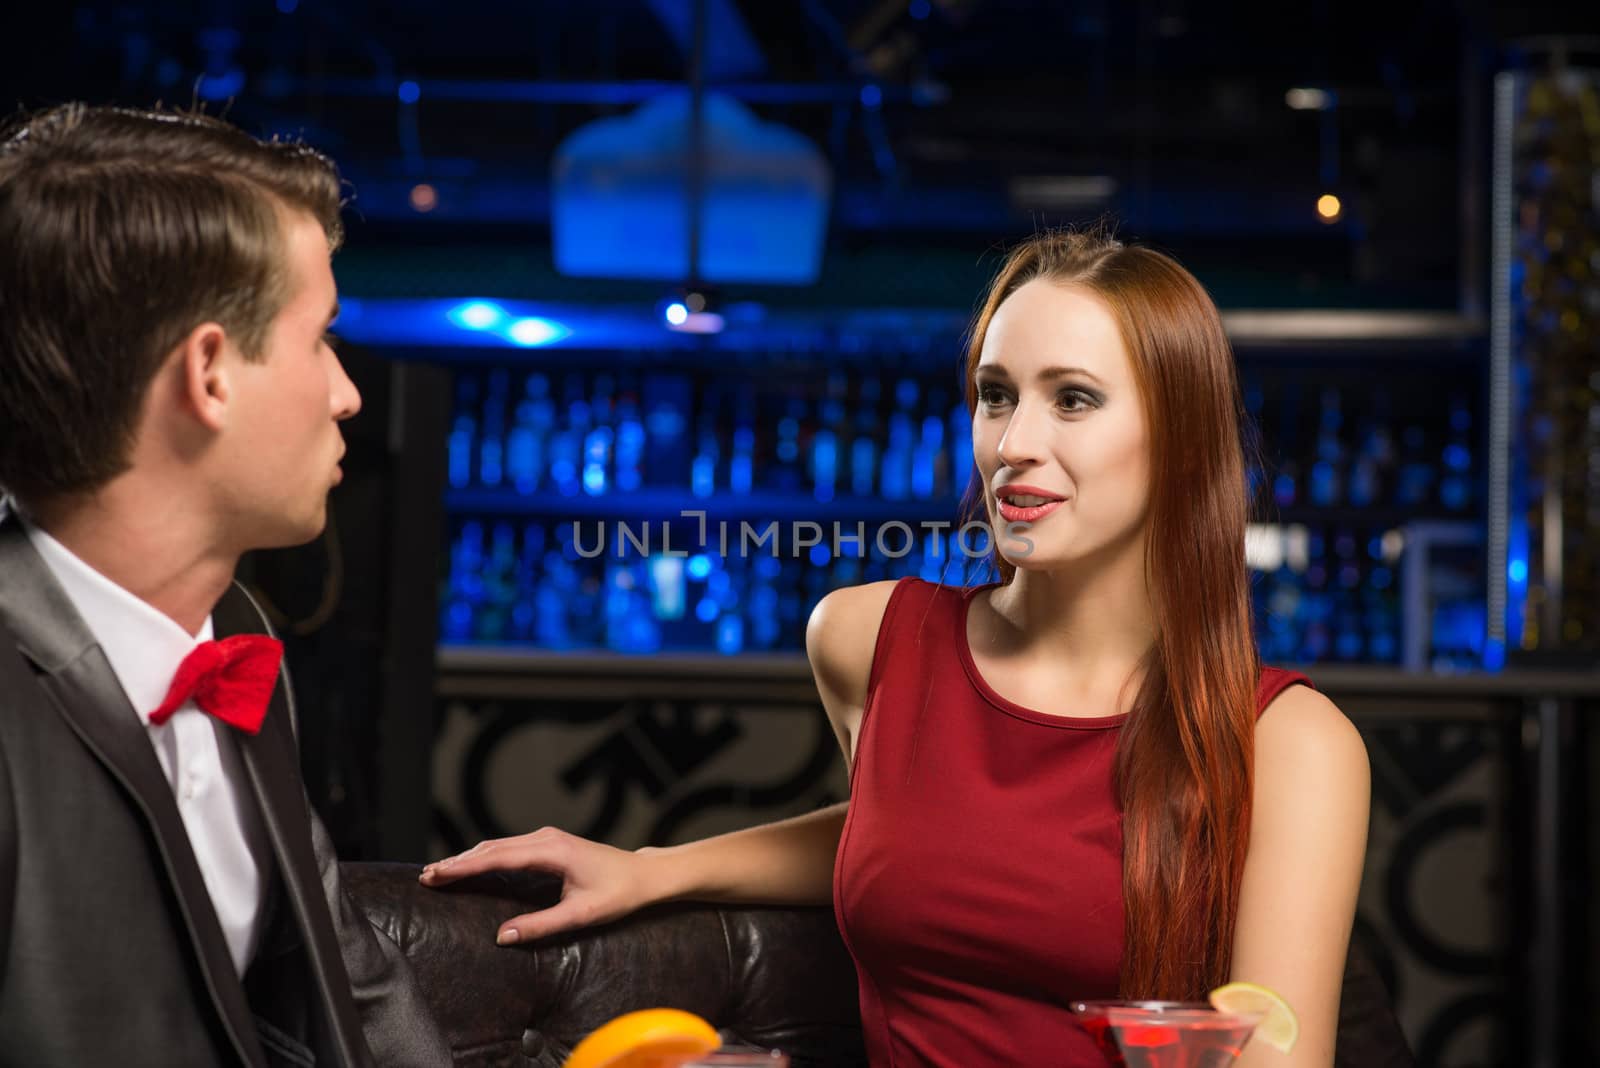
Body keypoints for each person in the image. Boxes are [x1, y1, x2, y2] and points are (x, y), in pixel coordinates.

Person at [419, 229, 1371, 1068]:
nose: (1014, 444)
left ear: (1181, 442)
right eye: (995, 398)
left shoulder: (1292, 746)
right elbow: (925, 829)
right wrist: (655, 867)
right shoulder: (865, 639)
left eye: (1073, 400)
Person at [0, 103, 451, 1068]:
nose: (347, 393)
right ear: (209, 373)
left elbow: (350, 1011)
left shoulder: (234, 638)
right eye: (321, 337)